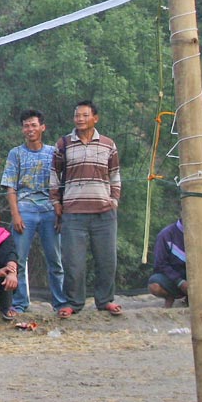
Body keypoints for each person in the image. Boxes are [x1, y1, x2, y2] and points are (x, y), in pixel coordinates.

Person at [50, 100, 121, 318]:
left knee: (107, 260)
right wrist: (56, 202)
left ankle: (105, 300)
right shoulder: (63, 144)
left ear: (95, 118)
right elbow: (54, 175)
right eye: (77, 115)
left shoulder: (108, 144)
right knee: (73, 262)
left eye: (84, 115)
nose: (79, 119)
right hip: (73, 213)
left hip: (104, 212)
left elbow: (115, 174)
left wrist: (114, 199)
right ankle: (73, 302)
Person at [1, 109, 67, 314]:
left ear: (42, 127)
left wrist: (60, 211)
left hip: (49, 210)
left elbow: (62, 184)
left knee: (55, 259)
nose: (30, 129)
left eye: (33, 125)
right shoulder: (16, 153)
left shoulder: (53, 152)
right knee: (18, 259)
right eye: (26, 126)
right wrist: (16, 214)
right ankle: (20, 303)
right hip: (25, 209)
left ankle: (60, 302)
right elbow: (10, 187)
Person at [148, 219, 189, 309]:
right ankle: (170, 296)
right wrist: (180, 282)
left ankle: (190, 298)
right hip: (172, 276)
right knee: (154, 285)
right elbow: (160, 263)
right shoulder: (166, 234)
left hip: (196, 277)